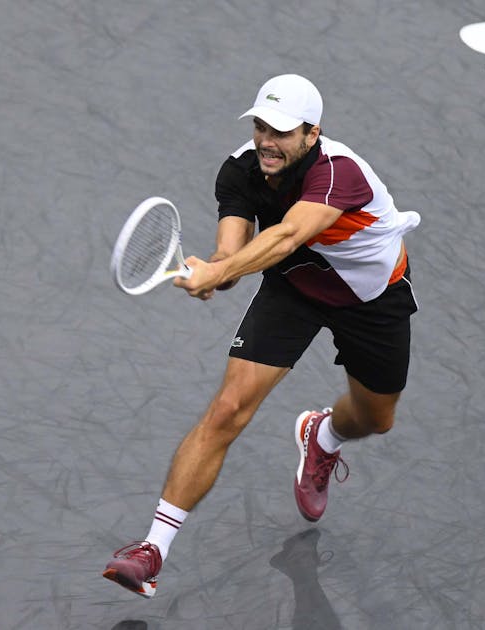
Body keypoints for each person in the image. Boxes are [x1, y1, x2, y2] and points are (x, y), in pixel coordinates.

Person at [102, 74, 421, 598]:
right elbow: (236, 251)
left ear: (312, 134)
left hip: (370, 299)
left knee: (374, 419)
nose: (267, 141)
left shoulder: (341, 175)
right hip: (292, 287)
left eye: (282, 131)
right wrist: (216, 272)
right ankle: (151, 550)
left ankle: (323, 436)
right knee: (227, 409)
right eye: (260, 126)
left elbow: (289, 233)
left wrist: (222, 272)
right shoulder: (239, 170)